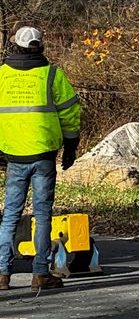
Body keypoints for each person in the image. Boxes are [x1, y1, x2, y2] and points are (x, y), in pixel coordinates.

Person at [0, 26, 81, 291]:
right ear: (40, 47)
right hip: (44, 155)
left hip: (13, 155)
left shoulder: (2, 75)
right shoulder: (52, 75)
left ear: (16, 46)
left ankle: (2, 274)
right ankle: (40, 274)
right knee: (43, 214)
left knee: (11, 215)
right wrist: (70, 148)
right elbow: (69, 114)